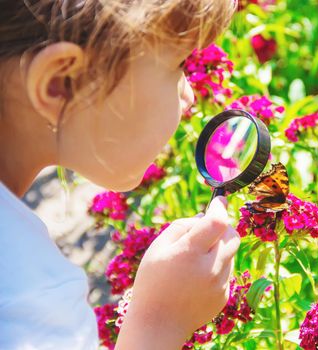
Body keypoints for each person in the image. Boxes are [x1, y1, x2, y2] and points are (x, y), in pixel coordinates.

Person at [0, 1, 240, 349]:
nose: (189, 94)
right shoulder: (30, 307)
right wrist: (159, 320)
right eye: (178, 65)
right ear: (62, 83)